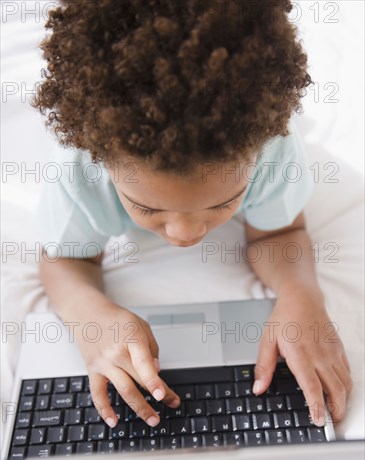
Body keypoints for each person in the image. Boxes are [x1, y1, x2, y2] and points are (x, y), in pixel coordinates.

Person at [32, 0, 352, 430]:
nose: (185, 234)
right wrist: (90, 318)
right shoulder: (81, 170)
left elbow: (278, 234)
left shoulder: (270, 150)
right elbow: (64, 259)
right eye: (147, 207)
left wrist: (301, 295)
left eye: (223, 202)